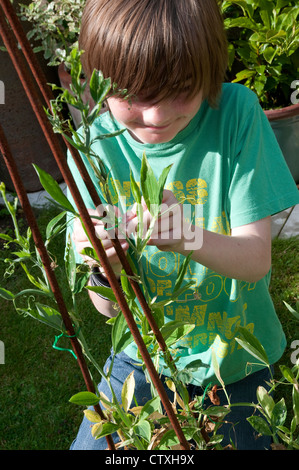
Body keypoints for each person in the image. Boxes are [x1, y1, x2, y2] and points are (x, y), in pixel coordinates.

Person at [67, 0, 299, 450]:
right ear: (95, 82)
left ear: (210, 72)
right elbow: (108, 309)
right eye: (131, 95)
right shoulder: (92, 146)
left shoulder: (236, 114)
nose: (155, 116)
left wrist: (189, 237)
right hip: (141, 358)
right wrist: (102, 268)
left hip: (239, 362)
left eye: (181, 90)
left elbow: (255, 260)